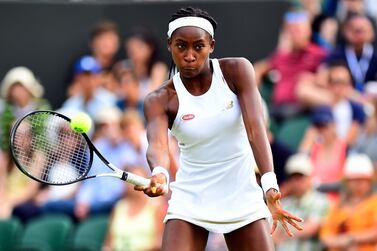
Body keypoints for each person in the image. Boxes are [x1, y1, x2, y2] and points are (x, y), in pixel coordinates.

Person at [135, 7, 303, 250]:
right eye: (181, 46)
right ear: (170, 45)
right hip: (191, 199)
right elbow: (158, 144)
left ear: (211, 45)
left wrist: (269, 185)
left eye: (198, 46)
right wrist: (160, 172)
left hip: (241, 195)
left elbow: (255, 130)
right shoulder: (159, 99)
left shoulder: (237, 71)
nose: (190, 55)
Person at [320, 154, 377, 251]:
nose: (358, 184)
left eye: (362, 179)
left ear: (370, 181)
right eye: (354, 180)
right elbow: (326, 236)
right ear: (347, 182)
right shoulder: (337, 206)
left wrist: (351, 238)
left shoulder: (374, 202)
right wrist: (343, 243)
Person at [273, 153, 330, 251]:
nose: (296, 181)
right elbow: (273, 235)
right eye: (292, 177)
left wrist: (283, 233)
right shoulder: (284, 204)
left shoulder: (321, 201)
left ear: (310, 178)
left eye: (300, 177)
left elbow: (311, 229)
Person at [103, 166, 166, 251]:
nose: (134, 183)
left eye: (138, 179)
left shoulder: (157, 206)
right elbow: (108, 243)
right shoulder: (118, 207)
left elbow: (159, 242)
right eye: (131, 180)